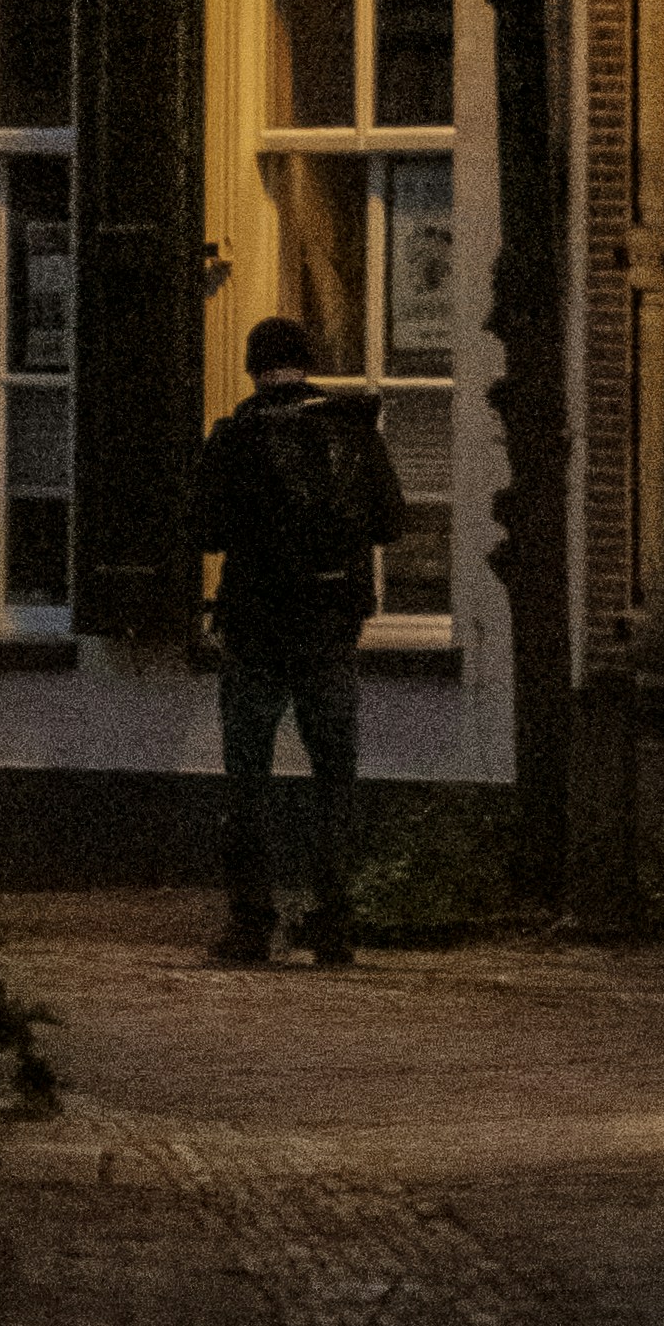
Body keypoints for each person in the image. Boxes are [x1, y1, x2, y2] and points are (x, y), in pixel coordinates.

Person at [192, 312, 405, 966]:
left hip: (256, 628)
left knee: (246, 779)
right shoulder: (353, 432)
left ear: (253, 368)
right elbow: (391, 523)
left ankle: (251, 923)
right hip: (330, 625)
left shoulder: (234, 438)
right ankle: (333, 921)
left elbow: (203, 530)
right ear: (306, 361)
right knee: (333, 776)